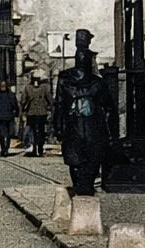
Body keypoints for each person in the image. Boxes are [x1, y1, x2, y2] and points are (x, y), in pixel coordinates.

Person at [52, 29, 118, 195]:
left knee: (77, 166)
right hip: (93, 130)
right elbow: (110, 109)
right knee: (90, 166)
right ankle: (85, 194)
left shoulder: (65, 79)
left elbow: (59, 105)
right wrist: (111, 134)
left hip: (73, 129)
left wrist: (58, 129)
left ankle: (81, 195)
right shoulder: (98, 83)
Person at [20, 75, 52, 156]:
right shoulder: (44, 88)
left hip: (31, 113)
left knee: (32, 131)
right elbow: (50, 99)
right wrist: (49, 108)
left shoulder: (27, 88)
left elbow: (23, 100)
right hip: (42, 112)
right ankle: (40, 147)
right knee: (41, 130)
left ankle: (34, 147)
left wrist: (23, 109)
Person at [0, 80, 19, 156]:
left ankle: (5, 149)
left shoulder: (7, 95)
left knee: (6, 134)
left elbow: (14, 105)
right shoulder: (0, 95)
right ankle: (4, 149)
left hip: (6, 117)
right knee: (4, 134)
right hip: (3, 117)